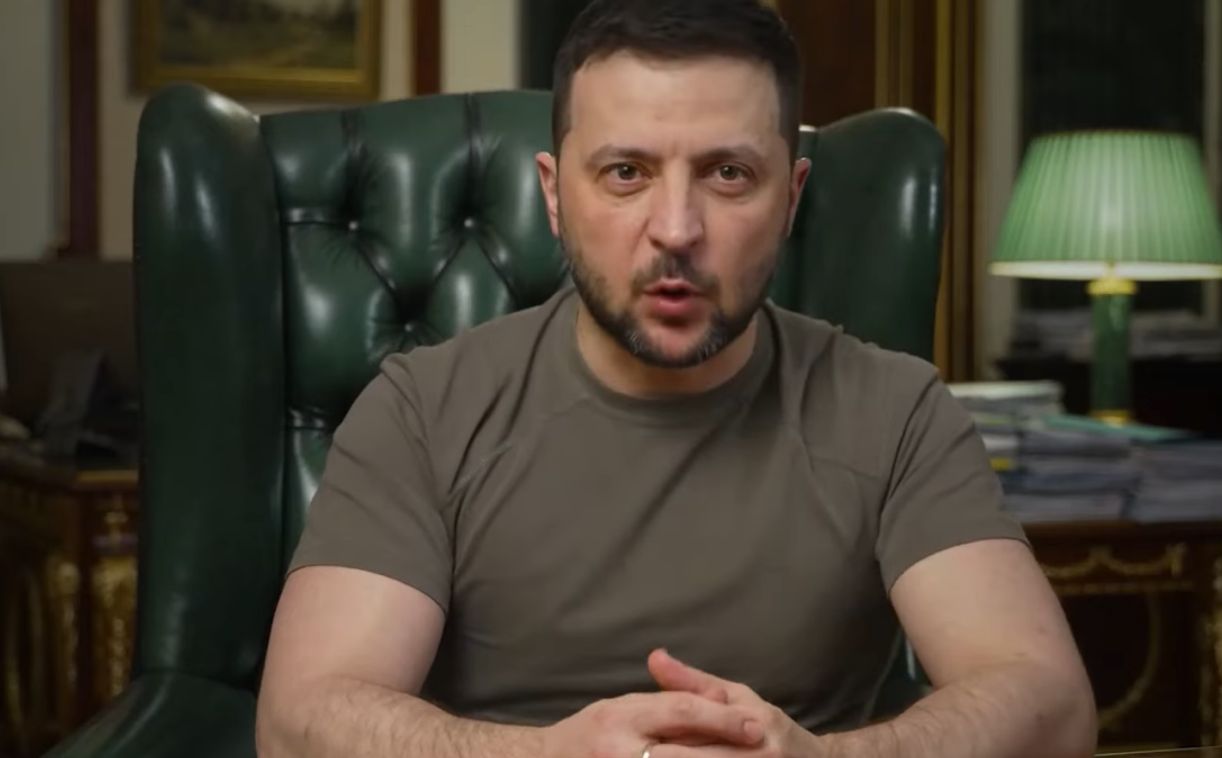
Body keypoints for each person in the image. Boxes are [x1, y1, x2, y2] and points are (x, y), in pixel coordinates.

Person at [255, 0, 1097, 755]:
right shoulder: (421, 410)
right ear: (554, 194)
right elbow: (297, 723)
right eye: (626, 173)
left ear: (792, 196)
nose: (676, 229)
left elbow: (1051, 706)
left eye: (728, 174)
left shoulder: (896, 409)